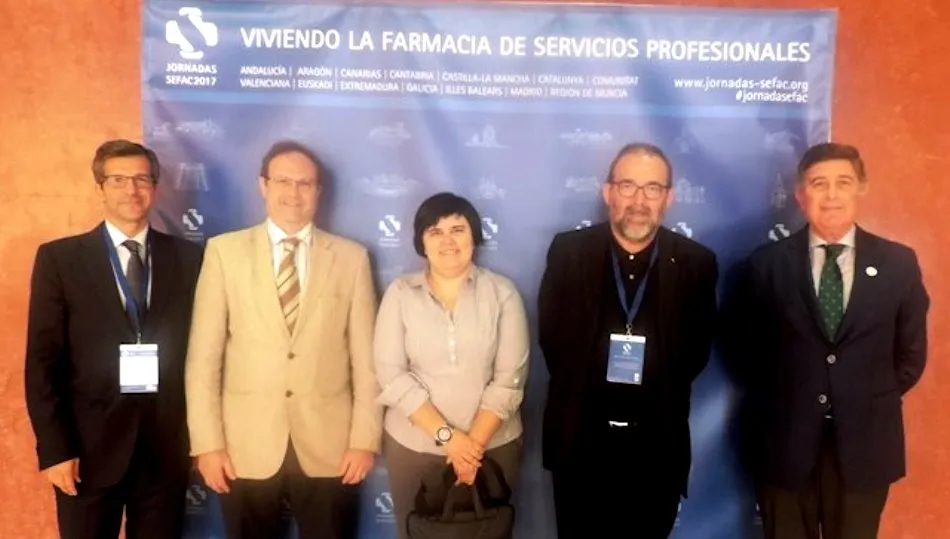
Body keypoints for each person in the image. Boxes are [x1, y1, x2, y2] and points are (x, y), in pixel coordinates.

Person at [731, 143, 929, 539]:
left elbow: (910, 355)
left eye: (843, 183)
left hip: (865, 446)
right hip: (784, 444)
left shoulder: (898, 264)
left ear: (861, 188)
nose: (831, 195)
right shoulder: (766, 265)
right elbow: (743, 350)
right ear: (800, 194)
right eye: (819, 184)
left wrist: (859, 396)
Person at [184, 140, 382, 539]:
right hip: (244, 446)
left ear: (319, 191)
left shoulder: (352, 258)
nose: (294, 192)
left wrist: (364, 439)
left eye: (305, 183)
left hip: (331, 446)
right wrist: (207, 444)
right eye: (283, 181)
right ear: (263, 185)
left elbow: (367, 361)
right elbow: (203, 358)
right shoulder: (224, 252)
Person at [24, 139, 204, 539]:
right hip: (86, 452)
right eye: (118, 179)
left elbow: (204, 354)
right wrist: (55, 450)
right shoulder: (60, 260)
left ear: (155, 187)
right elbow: (42, 364)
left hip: (164, 451)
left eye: (141, 179)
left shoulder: (190, 259)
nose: (131, 190)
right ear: (100, 188)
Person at [538, 143, 718, 538]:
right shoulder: (568, 252)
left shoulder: (696, 263)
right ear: (608, 192)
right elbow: (552, 342)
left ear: (669, 197)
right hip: (580, 445)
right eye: (628, 186)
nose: (639, 201)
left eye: (652, 188)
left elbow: (695, 354)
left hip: (656, 448)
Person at [374, 192, 529, 539]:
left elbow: (509, 380)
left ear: (474, 236)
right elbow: (391, 374)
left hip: (492, 448)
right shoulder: (400, 293)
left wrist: (470, 450)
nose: (447, 241)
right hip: (414, 449)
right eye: (435, 231)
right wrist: (450, 440)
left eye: (457, 229)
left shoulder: (502, 293)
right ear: (422, 242)